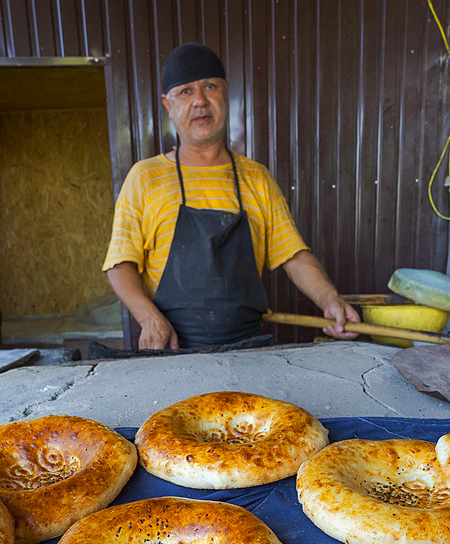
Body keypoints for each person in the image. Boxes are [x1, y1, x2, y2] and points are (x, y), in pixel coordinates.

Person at [103, 42, 360, 351]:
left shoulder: (256, 177)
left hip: (249, 350)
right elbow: (120, 264)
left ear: (225, 94)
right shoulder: (144, 177)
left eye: (210, 86)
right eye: (185, 91)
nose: (200, 100)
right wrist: (149, 318)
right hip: (171, 350)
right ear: (168, 105)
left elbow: (293, 255)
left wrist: (329, 298)